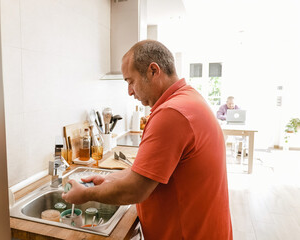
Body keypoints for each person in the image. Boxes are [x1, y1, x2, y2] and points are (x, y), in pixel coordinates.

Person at [62, 40, 232, 239]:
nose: (130, 91)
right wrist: (108, 179)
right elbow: (145, 173)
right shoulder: (188, 98)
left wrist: (86, 194)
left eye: (130, 81)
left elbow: (135, 190)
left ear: (153, 71)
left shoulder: (171, 113)